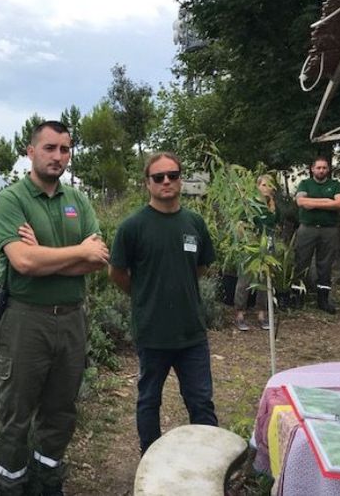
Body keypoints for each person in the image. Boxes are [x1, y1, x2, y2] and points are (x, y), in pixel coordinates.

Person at [0, 120, 109, 496]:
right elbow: (23, 264)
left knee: (61, 410)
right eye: (50, 148)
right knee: (15, 415)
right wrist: (74, 252)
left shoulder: (78, 200)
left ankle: (48, 483)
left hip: (72, 318)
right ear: (30, 151)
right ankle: (11, 486)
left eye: (65, 149)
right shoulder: (12, 200)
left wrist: (44, 253)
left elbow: (98, 258)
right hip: (25, 319)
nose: (59, 156)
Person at [108, 152, 217, 455]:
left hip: (191, 332)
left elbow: (201, 266)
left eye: (173, 175)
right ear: (148, 183)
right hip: (152, 332)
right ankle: (150, 461)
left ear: (181, 179)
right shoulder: (133, 227)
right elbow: (116, 272)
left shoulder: (194, 222)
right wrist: (144, 293)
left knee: (201, 403)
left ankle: (210, 461)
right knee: (149, 401)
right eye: (159, 177)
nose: (166, 181)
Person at [294, 156, 340, 314]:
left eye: (324, 168)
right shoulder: (305, 183)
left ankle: (323, 300)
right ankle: (298, 297)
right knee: (301, 262)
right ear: (312, 169)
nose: (321, 170)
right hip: (307, 228)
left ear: (328, 169)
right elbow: (301, 202)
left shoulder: (335, 185)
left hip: (329, 230)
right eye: (318, 168)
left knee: (325, 264)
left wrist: (313, 202)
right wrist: (327, 201)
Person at [233, 174, 279, 331]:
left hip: (267, 246)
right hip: (250, 246)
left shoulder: (273, 207)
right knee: (245, 280)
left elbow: (274, 227)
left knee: (264, 280)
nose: (267, 188)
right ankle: (240, 313)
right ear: (258, 187)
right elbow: (240, 226)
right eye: (264, 185)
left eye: (270, 185)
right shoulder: (249, 205)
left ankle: (262, 314)